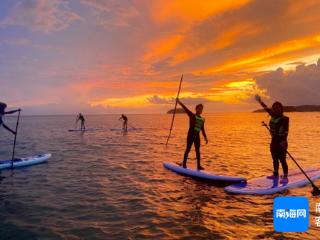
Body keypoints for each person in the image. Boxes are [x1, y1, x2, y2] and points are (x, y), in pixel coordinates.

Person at [255, 95, 289, 184]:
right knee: (274, 159)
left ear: (281, 109)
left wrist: (284, 141)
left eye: (278, 108)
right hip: (274, 141)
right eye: (274, 108)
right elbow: (266, 108)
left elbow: (286, 131)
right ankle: (276, 174)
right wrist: (260, 101)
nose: (276, 109)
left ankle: (285, 176)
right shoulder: (272, 116)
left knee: (282, 159)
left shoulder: (285, 119)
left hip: (282, 142)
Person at [177, 98, 208, 170]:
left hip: (197, 136)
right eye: (199, 109)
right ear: (196, 109)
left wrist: (205, 137)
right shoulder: (192, 115)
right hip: (190, 135)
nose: (200, 110)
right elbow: (186, 109)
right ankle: (184, 164)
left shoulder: (202, 119)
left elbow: (202, 129)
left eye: (201, 109)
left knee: (198, 151)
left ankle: (198, 166)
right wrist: (179, 102)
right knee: (188, 149)